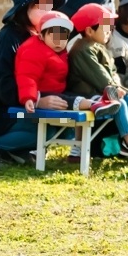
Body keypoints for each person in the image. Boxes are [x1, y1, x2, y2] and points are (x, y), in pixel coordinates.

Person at [0, 0, 69, 169]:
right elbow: (5, 87)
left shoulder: (43, 38)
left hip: (21, 109)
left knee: (62, 126)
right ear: (25, 8)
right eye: (40, 4)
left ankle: (14, 150)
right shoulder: (8, 38)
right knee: (45, 132)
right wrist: (38, 100)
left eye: (50, 6)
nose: (47, 10)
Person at [68, 1, 128, 158]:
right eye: (105, 27)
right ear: (89, 31)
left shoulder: (97, 46)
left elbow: (112, 72)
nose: (109, 30)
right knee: (120, 103)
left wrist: (120, 89)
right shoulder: (82, 50)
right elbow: (99, 76)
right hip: (88, 95)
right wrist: (116, 89)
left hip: (103, 92)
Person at [14, 11, 79, 156]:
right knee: (49, 129)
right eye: (53, 36)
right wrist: (30, 98)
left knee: (65, 127)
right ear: (42, 35)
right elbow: (27, 76)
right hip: (40, 97)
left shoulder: (60, 52)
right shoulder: (34, 50)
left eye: (63, 36)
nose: (58, 41)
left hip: (55, 95)